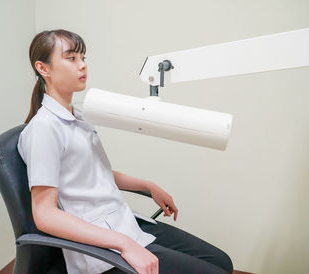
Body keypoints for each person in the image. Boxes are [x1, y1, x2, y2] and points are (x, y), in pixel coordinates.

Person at [17, 29, 233, 274]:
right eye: (71, 58)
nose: (82, 66)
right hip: (102, 247)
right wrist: (124, 243)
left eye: (83, 58)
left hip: (124, 223)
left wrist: (147, 185)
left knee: (222, 262)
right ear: (43, 68)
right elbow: (45, 215)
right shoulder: (43, 129)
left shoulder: (79, 116)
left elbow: (96, 172)